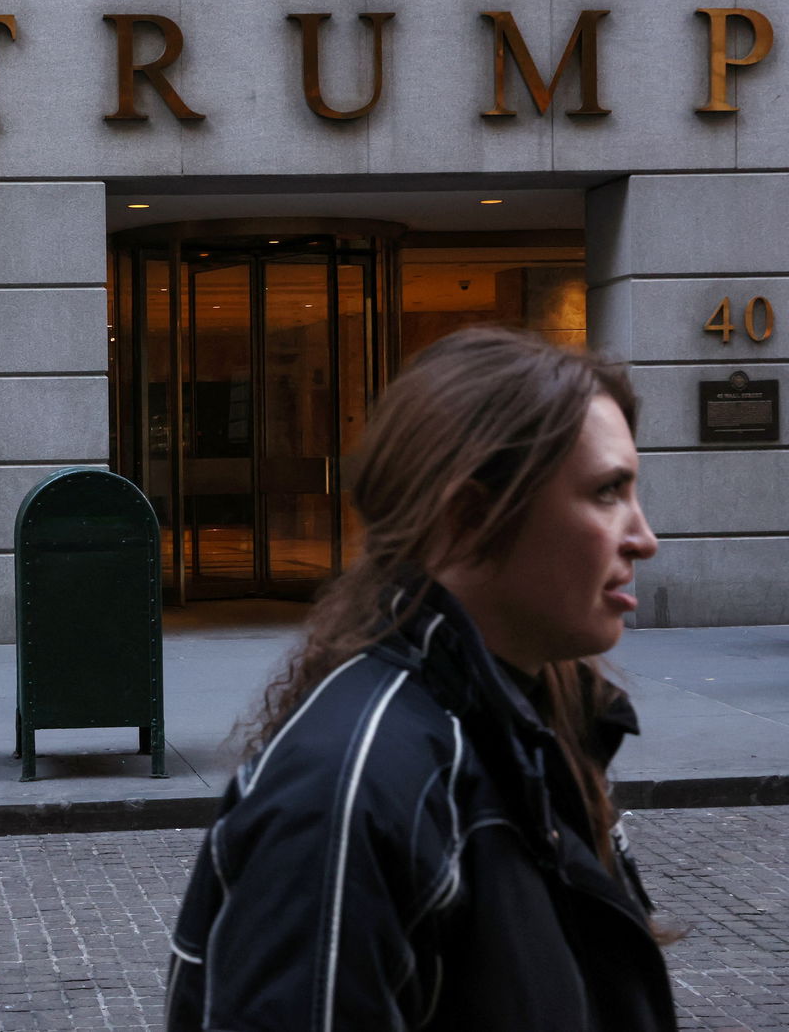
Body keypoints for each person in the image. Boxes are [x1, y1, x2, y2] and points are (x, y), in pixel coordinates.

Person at [167, 327, 675, 1031]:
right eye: (606, 492)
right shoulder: (349, 791)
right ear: (469, 517)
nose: (643, 537)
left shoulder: (534, 730)